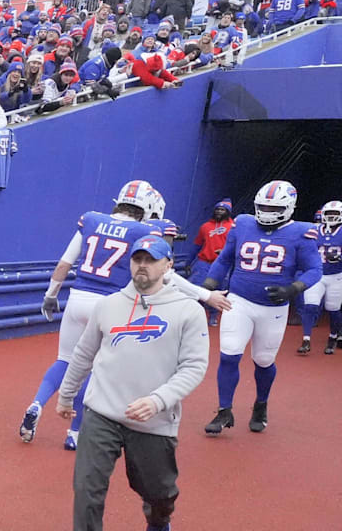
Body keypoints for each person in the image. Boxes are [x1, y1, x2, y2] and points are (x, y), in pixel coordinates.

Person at [57, 235, 209, 531]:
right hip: (102, 413)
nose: (143, 266)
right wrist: (66, 394)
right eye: (138, 259)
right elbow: (84, 353)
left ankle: (158, 522)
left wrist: (157, 400)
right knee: (87, 490)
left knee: (159, 495)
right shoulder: (108, 305)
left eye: (151, 260)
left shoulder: (188, 311)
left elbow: (194, 366)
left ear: (168, 265)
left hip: (153, 420)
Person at [23, 181, 163, 451]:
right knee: (94, 367)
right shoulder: (145, 230)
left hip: (78, 297)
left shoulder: (91, 220)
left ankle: (37, 403)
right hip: (110, 303)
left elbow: (65, 263)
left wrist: (50, 295)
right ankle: (74, 431)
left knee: (65, 360)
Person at [202, 180, 322, 436]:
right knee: (229, 354)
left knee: (264, 361)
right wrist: (210, 285)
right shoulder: (243, 223)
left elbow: (315, 269)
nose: (266, 212)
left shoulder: (302, 232)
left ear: (288, 207)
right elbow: (225, 258)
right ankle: (224, 410)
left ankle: (261, 404)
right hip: (239, 300)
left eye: (273, 207)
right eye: (263, 206)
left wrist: (294, 288)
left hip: (272, 307)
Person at [298, 200, 342, 354]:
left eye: (335, 214)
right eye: (329, 213)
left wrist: (339, 258)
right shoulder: (314, 229)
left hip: (337, 275)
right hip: (316, 274)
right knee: (310, 306)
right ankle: (306, 339)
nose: (331, 217)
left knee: (333, 309)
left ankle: (333, 336)